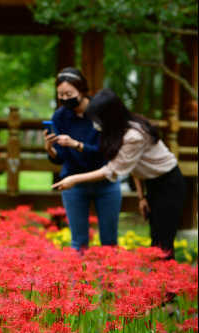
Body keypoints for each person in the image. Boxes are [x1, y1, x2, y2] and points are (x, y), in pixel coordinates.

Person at [53, 88, 185, 262]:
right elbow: (133, 165)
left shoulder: (134, 135)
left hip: (169, 184)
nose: (93, 122)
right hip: (151, 183)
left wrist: (74, 179)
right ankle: (162, 286)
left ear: (108, 116)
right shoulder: (117, 131)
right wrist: (141, 196)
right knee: (157, 242)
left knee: (162, 244)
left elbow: (114, 170)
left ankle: (168, 287)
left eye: (96, 118)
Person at [43, 68, 118, 252]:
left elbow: (105, 152)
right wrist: (49, 148)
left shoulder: (101, 111)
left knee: (109, 241)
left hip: (105, 181)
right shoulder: (60, 116)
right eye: (60, 94)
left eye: (69, 94)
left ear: (82, 90)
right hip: (73, 184)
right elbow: (60, 158)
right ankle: (80, 281)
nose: (64, 98)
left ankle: (111, 281)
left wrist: (76, 144)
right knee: (78, 242)